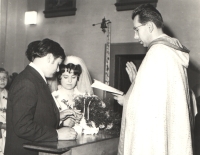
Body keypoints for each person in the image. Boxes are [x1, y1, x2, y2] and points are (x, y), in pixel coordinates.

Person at [114, 4, 193, 155]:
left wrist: (126, 99)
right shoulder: (171, 51)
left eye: (136, 30)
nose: (135, 36)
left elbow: (146, 110)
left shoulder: (156, 53)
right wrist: (137, 83)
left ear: (149, 26)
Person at [5, 39, 79, 155]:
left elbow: (36, 115)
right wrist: (57, 134)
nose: (58, 69)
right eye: (58, 64)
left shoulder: (34, 78)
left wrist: (58, 116)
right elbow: (22, 126)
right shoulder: (27, 82)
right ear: (49, 58)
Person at [0, 68, 8, 155]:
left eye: (4, 77)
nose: (2, 80)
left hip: (6, 132)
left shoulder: (9, 94)